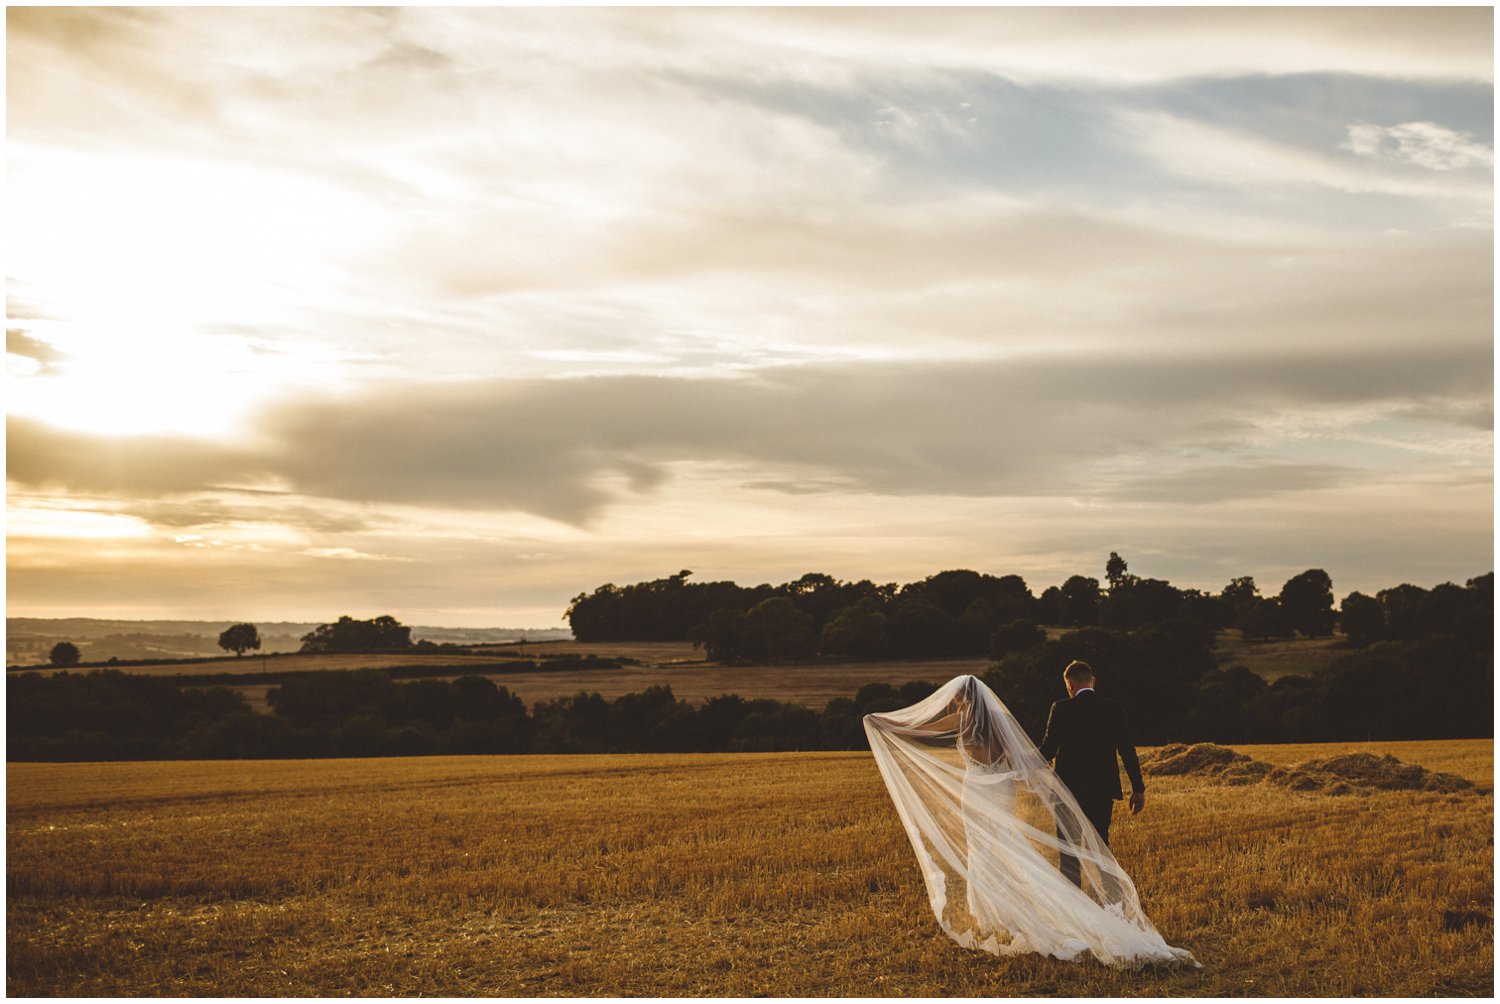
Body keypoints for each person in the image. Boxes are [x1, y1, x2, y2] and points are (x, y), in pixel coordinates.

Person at [864, 675, 1196, 968]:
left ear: (961, 697)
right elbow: (1024, 756)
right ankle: (1068, 909)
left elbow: (920, 728)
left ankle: (1003, 913)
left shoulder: (961, 719)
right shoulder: (998, 719)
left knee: (988, 850)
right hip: (1003, 789)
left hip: (977, 789)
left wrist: (880, 721)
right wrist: (1030, 774)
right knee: (1016, 847)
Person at [1037, 661, 1144, 887]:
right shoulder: (1112, 708)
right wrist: (1138, 788)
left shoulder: (1061, 708)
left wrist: (1020, 761)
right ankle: (1113, 904)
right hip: (1101, 790)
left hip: (1068, 791)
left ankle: (1074, 907)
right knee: (1101, 848)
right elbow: (1127, 750)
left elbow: (1047, 750)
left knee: (1069, 852)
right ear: (1092, 681)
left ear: (1070, 684)